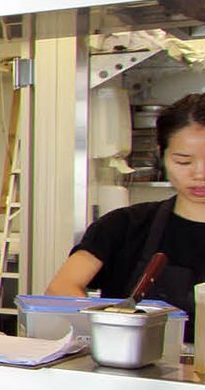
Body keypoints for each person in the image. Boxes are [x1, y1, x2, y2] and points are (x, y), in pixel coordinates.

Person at [48, 92, 205, 328]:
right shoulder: (124, 226)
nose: (199, 174)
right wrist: (111, 332)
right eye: (183, 161)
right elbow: (61, 288)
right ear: (161, 155)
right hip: (136, 352)